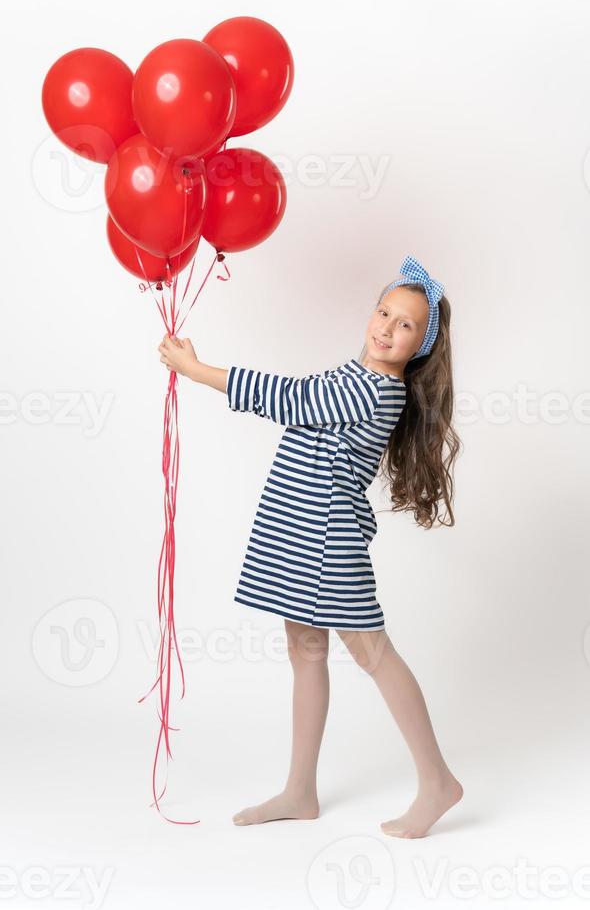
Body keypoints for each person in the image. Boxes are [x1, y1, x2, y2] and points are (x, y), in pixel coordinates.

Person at [157, 256, 463, 839]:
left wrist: (197, 371)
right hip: (301, 531)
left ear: (421, 346)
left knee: (373, 653)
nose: (386, 327)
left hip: (326, 539)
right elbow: (311, 401)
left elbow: (292, 398)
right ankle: (300, 789)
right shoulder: (354, 373)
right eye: (383, 312)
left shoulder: (377, 390)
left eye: (405, 326)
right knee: (306, 650)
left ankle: (437, 781)